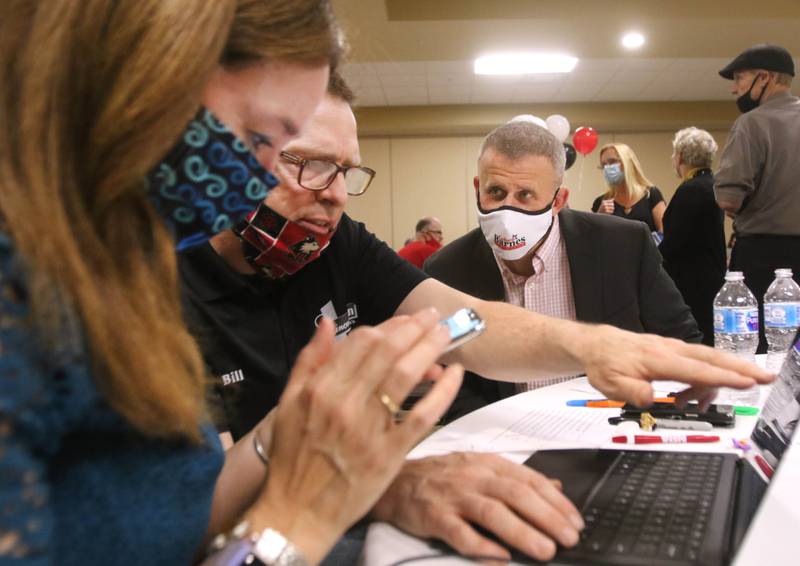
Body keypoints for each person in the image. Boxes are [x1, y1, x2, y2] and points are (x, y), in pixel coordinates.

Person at [180, 75, 772, 560]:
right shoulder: (163, 290)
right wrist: (367, 475)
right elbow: (189, 514)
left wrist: (590, 346)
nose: (333, 193)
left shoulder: (342, 246)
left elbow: (466, 324)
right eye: (306, 165)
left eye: (345, 172)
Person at [0, 2, 463, 565]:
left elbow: (183, 514)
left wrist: (300, 425)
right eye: (259, 138)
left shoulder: (119, 272)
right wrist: (303, 514)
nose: (256, 186)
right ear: (142, 80)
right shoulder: (23, 307)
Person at [424, 121, 702, 420]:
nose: (507, 211)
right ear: (478, 188)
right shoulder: (447, 272)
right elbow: (449, 384)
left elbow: (680, 343)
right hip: (506, 441)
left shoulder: (622, 246)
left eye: (525, 195)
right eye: (496, 191)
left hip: (611, 430)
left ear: (558, 200)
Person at [715, 43, 800, 354]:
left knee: (764, 351)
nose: (734, 89)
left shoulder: (752, 124)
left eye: (739, 79)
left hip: (764, 255)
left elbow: (728, 199)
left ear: (765, 77)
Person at [659, 127, 726, 347]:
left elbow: (675, 242)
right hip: (712, 276)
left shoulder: (691, 190)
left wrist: (651, 256)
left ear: (679, 157)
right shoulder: (712, 185)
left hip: (693, 283)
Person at [592, 143, 666, 236]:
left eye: (612, 162)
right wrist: (599, 217)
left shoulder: (651, 194)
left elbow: (664, 233)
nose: (607, 168)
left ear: (627, 162)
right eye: (603, 165)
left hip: (648, 250)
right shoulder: (601, 202)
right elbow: (592, 238)